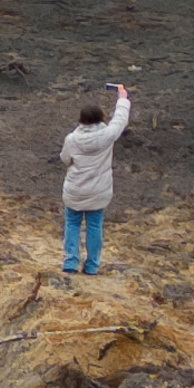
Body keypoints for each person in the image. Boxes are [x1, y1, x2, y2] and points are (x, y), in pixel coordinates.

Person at [59, 81, 134, 275]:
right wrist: (122, 98)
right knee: (94, 225)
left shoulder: (71, 139)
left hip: (75, 189)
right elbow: (120, 119)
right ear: (100, 118)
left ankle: (70, 262)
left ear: (81, 119)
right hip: (99, 190)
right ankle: (92, 266)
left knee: (72, 224)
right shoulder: (108, 135)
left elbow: (65, 159)